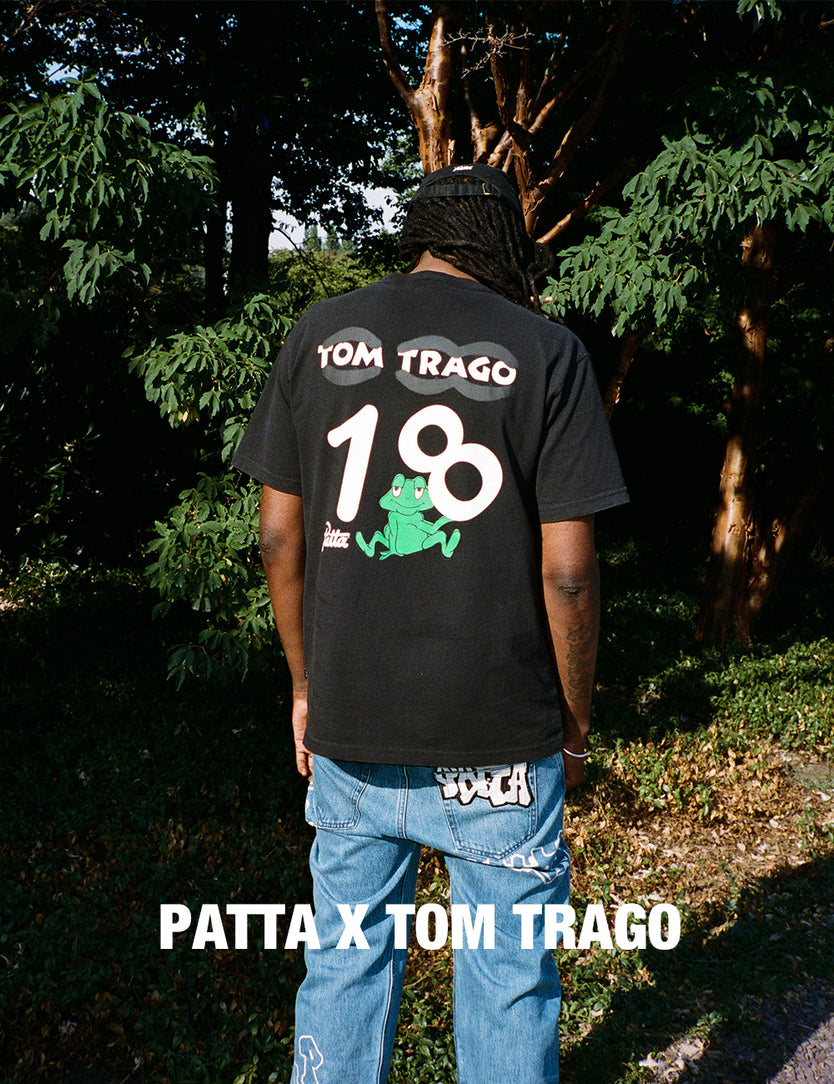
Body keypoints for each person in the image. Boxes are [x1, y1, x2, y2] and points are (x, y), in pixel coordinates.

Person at [232, 163, 629, 1084]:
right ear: (503, 242)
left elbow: (279, 534)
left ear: (419, 230)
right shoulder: (547, 352)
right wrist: (572, 724)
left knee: (344, 965)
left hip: (351, 720)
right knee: (507, 977)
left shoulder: (319, 332)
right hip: (500, 738)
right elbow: (570, 575)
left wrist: (304, 685)